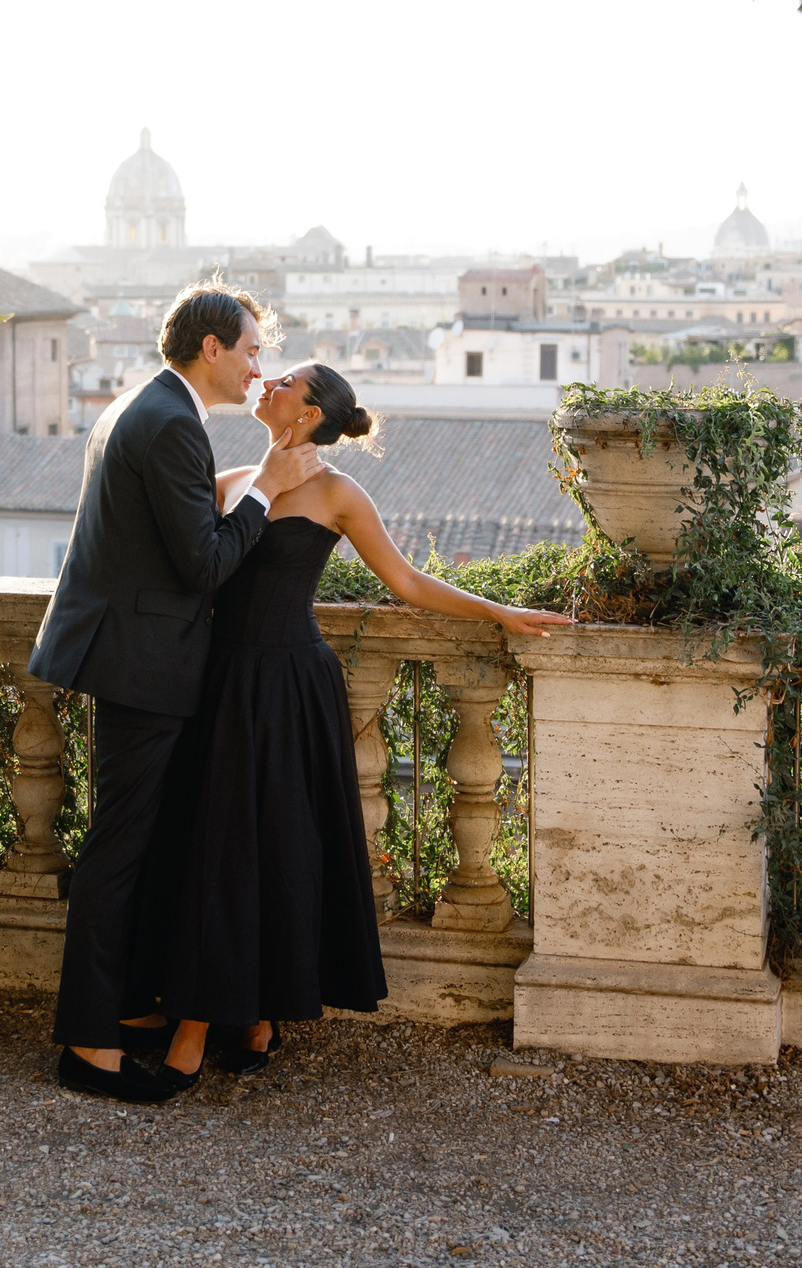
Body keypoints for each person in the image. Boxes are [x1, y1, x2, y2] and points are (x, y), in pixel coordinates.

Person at [154, 361, 574, 1079]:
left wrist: (498, 610)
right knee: (213, 847)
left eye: (285, 378)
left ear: (310, 412)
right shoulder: (228, 485)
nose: (268, 380)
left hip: (290, 688)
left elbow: (405, 580)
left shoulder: (338, 494)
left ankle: (231, 1022)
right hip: (220, 687)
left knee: (273, 848)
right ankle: (223, 1015)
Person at [29, 283, 327, 1103]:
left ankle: (122, 1011)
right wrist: (267, 485)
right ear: (211, 349)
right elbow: (204, 562)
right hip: (140, 662)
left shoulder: (151, 407)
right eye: (252, 349)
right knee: (118, 850)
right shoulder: (166, 422)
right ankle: (88, 1045)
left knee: (142, 846)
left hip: (138, 656)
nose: (257, 366)